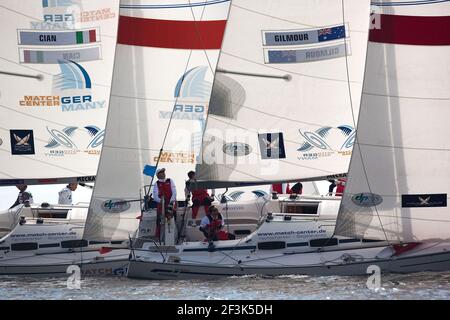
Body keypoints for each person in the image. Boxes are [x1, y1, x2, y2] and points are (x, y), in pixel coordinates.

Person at [152, 168, 177, 238]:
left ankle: (173, 236)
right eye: (161, 172)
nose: (163, 173)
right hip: (161, 206)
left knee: (172, 219)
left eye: (163, 172)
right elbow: (155, 196)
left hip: (170, 205)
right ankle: (160, 237)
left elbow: (174, 192)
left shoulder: (170, 180)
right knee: (160, 221)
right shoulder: (156, 184)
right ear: (158, 175)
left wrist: (171, 201)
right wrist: (162, 201)